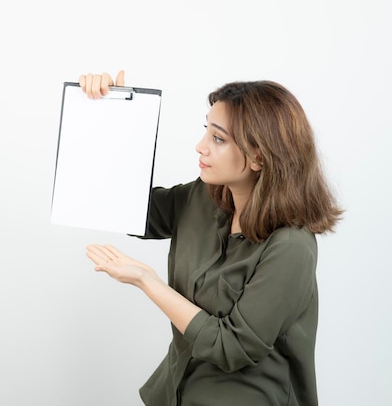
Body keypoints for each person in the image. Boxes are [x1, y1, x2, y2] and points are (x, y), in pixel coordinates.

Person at [81, 70, 343, 406]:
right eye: (206, 130)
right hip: (175, 393)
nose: (200, 146)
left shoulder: (291, 247)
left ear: (259, 156)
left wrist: (148, 281)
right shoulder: (204, 198)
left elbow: (231, 347)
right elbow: (119, 205)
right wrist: (110, 114)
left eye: (218, 139)